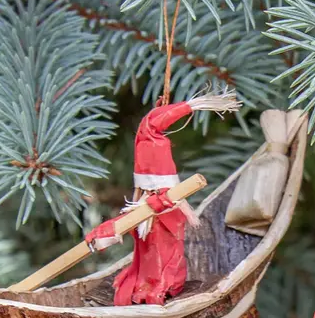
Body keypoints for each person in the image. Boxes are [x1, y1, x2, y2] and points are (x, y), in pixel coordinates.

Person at [85, 93, 238, 305]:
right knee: (151, 251)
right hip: (155, 217)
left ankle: (164, 284)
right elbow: (133, 216)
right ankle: (151, 284)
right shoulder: (149, 197)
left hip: (164, 218)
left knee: (165, 253)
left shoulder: (161, 199)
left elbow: (154, 202)